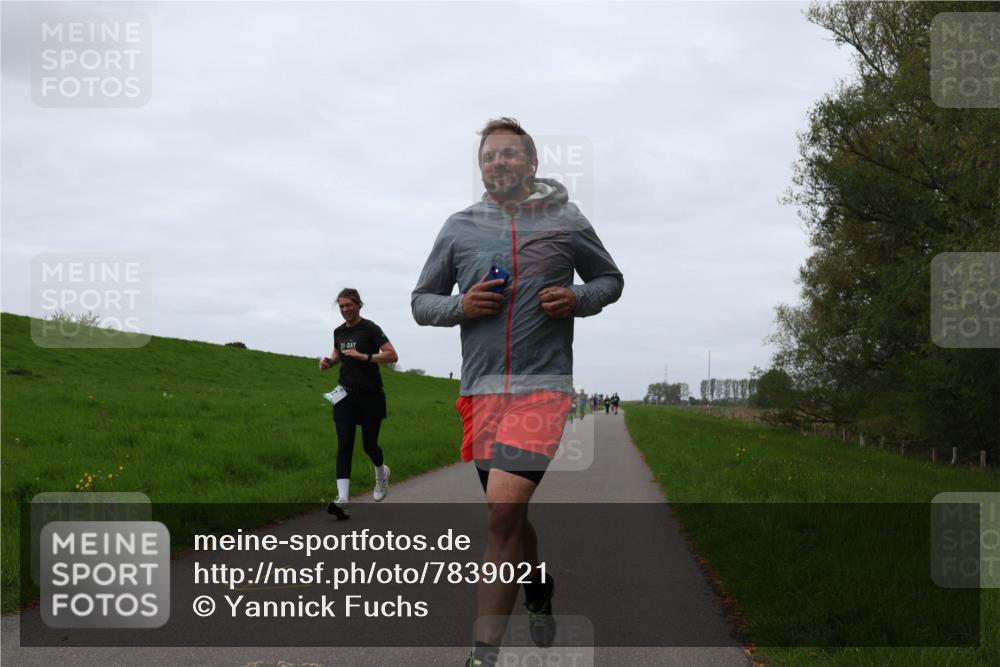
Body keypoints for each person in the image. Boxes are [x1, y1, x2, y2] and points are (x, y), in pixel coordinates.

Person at [411, 117, 623, 667]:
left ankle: (483, 655)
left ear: (531, 164)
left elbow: (610, 279)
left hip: (542, 388)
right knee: (510, 514)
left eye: (508, 155)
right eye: (488, 157)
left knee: (502, 514)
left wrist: (578, 298)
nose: (497, 163)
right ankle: (539, 585)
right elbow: (420, 302)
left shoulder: (567, 221)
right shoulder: (458, 228)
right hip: (480, 392)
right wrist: (462, 305)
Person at [319, 288, 398, 519]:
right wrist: (329, 362)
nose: (345, 310)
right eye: (341, 307)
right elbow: (337, 354)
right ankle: (342, 499)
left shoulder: (371, 329)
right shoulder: (338, 332)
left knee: (369, 445)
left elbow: (392, 355)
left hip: (371, 395)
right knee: (344, 443)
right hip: (344, 395)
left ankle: (381, 475)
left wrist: (367, 357)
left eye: (348, 305)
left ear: (358, 305)